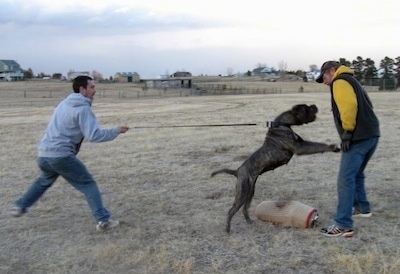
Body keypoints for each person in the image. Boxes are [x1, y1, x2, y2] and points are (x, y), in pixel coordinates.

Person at [10, 75, 129, 231]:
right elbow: (94, 136)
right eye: (92, 87)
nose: (94, 90)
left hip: (44, 154)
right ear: (82, 89)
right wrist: (117, 131)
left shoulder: (64, 103)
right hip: (61, 155)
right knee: (88, 184)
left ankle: (20, 206)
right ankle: (103, 220)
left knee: (43, 181)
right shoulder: (83, 109)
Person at [315, 61, 380, 237]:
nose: (325, 82)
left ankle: (343, 224)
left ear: (332, 71)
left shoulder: (340, 82)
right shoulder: (352, 80)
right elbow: (368, 105)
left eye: (325, 77)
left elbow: (349, 106)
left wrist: (348, 132)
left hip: (359, 138)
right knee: (357, 173)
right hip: (372, 134)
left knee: (345, 179)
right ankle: (362, 207)